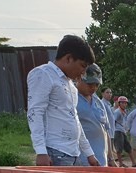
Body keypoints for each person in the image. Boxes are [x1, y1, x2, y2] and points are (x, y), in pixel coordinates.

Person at [26, 34, 99, 166]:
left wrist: (89, 153)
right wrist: (41, 152)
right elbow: (35, 113)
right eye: (82, 66)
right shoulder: (44, 74)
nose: (83, 73)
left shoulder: (70, 84)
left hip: (74, 153)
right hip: (55, 152)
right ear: (68, 58)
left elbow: (74, 118)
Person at [75, 64, 112, 166]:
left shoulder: (98, 102)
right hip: (81, 161)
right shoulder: (72, 99)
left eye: (97, 85)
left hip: (101, 161)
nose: (94, 88)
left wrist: (111, 158)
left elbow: (106, 130)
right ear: (79, 79)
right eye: (90, 84)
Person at [113, 96, 131, 166]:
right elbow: (113, 121)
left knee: (128, 147)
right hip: (118, 130)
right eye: (122, 103)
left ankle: (133, 162)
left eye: (125, 103)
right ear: (119, 103)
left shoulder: (124, 111)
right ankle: (120, 163)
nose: (124, 104)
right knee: (119, 148)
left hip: (123, 130)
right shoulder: (117, 112)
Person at [100, 87, 116, 160]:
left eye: (110, 92)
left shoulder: (109, 104)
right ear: (102, 94)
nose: (109, 94)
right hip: (106, 131)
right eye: (107, 92)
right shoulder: (101, 103)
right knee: (107, 149)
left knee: (111, 149)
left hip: (111, 130)